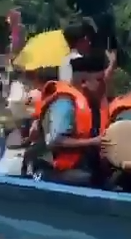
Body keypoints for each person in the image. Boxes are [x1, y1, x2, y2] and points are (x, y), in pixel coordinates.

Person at [31, 52, 110, 187]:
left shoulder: (93, 105)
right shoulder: (64, 103)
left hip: (82, 169)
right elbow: (55, 141)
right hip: (56, 173)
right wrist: (93, 142)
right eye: (99, 80)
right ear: (84, 82)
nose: (104, 85)